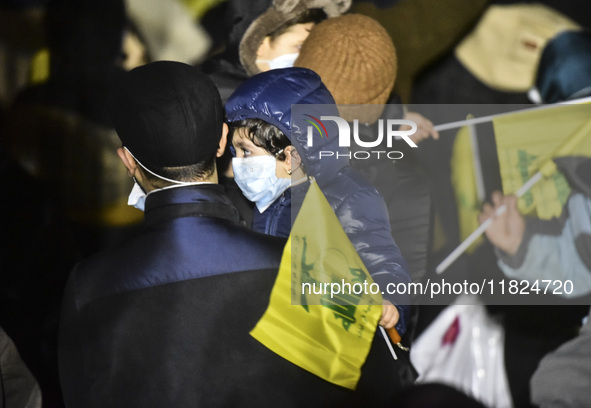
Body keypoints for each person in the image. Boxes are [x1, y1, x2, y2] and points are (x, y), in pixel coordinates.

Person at [58, 61, 413, 407]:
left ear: (128, 161)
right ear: (222, 139)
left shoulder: (87, 288)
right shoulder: (309, 263)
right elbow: (376, 383)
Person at [225, 67, 412, 338]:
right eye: (236, 150)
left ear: (290, 158)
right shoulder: (272, 197)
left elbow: (381, 257)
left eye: (246, 152)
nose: (237, 163)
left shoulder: (348, 197)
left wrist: (389, 300)